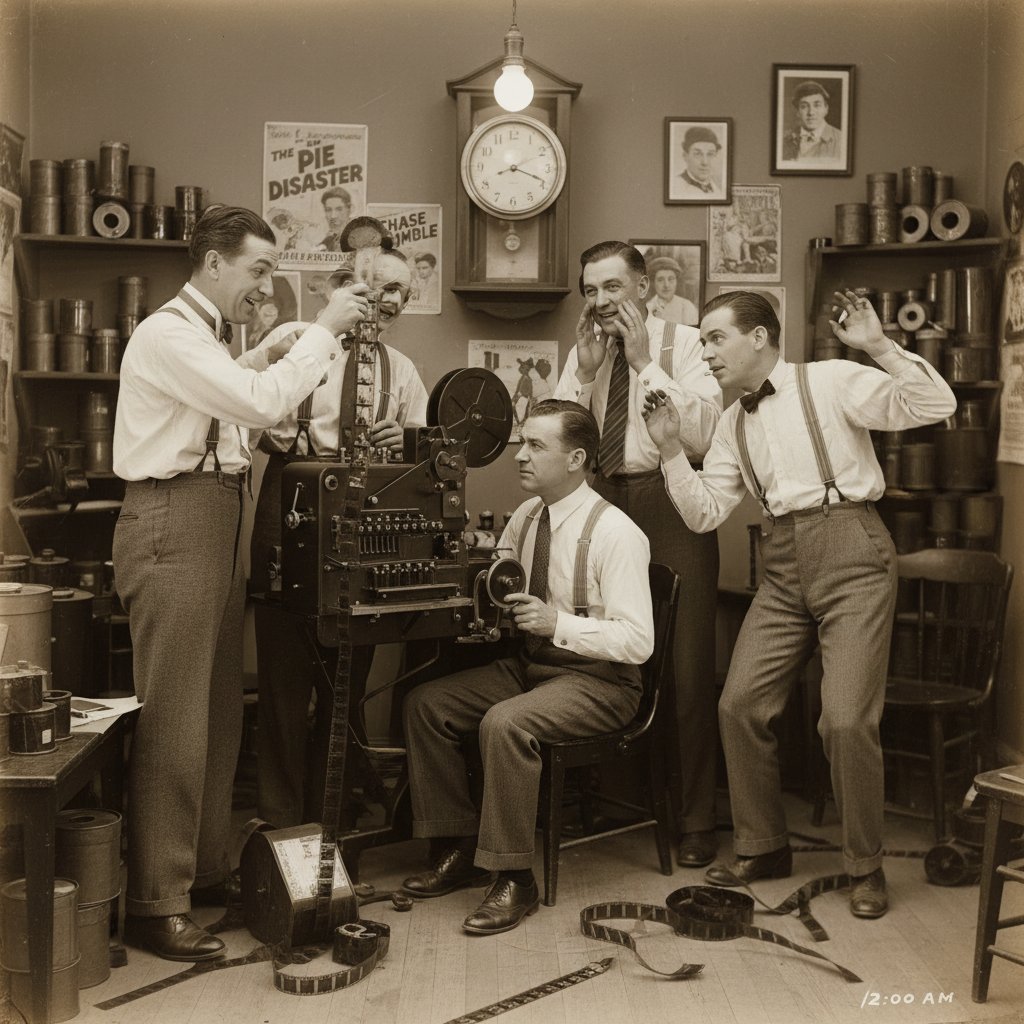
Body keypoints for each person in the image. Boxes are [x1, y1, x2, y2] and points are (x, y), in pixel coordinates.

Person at [641, 290, 957, 918]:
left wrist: (876, 344)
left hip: (853, 552)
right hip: (782, 566)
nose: (707, 353)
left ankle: (865, 865)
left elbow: (935, 403)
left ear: (759, 337)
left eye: (716, 338)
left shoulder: (831, 380)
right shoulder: (731, 423)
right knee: (739, 705)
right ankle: (764, 847)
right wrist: (672, 450)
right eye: (703, 342)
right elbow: (704, 515)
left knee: (845, 721)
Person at [112, 204, 369, 963]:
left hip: (219, 514)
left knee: (218, 712)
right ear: (214, 263)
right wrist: (322, 331)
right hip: (176, 519)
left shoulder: (206, 340)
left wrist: (264, 351)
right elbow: (256, 406)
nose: (264, 283)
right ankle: (156, 901)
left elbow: (230, 408)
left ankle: (203, 872)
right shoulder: (167, 333)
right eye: (258, 269)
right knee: (175, 717)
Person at [400, 400, 653, 934]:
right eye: (522, 442)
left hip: (601, 681)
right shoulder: (528, 515)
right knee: (426, 704)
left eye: (537, 445)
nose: (520, 455)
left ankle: (515, 877)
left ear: (576, 459)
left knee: (506, 723)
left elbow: (637, 642)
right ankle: (459, 845)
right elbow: (504, 574)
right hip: (533, 665)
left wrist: (556, 622)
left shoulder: (617, 533)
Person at [553, 241, 723, 869]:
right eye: (590, 290)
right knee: (607, 652)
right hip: (602, 499)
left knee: (685, 665)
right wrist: (585, 374)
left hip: (672, 498)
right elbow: (556, 435)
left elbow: (702, 434)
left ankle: (696, 819)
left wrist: (645, 362)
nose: (600, 302)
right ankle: (621, 801)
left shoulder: (687, 344)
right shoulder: (586, 350)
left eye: (613, 288)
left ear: (644, 287)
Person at [251, 233, 429, 830]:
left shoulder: (404, 372)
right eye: (380, 287)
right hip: (291, 506)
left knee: (346, 685)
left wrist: (403, 447)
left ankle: (335, 820)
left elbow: (424, 467)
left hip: (362, 522)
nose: (390, 301)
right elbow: (245, 417)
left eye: (401, 292)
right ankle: (282, 826)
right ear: (342, 287)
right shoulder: (293, 342)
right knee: (283, 683)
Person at [782, 81, 843, 163]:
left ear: (826, 109)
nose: (811, 112)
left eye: (817, 105)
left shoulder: (841, 140)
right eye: (804, 106)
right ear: (797, 112)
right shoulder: (783, 140)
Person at [645, 255, 699, 326]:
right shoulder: (647, 308)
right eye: (660, 280)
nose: (666, 285)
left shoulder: (687, 306)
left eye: (671, 279)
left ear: (676, 281)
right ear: (653, 282)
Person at [675, 125, 723, 198]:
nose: (705, 162)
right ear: (685, 156)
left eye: (710, 154)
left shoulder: (716, 188)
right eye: (697, 154)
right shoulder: (676, 187)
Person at [318, 186, 352, 251]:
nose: (333, 216)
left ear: (349, 210)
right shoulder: (327, 242)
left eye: (339, 209)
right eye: (328, 210)